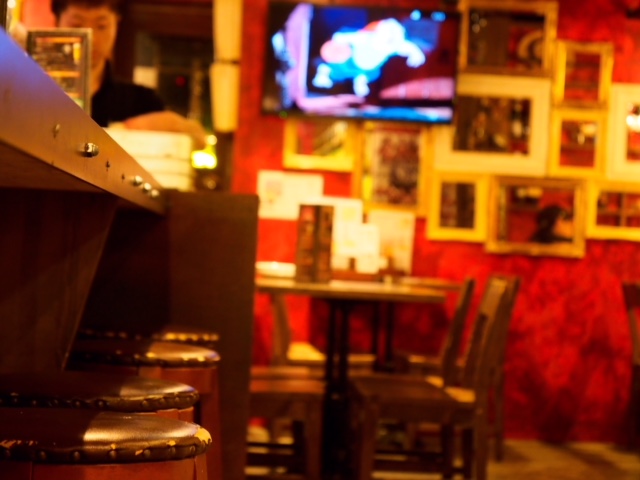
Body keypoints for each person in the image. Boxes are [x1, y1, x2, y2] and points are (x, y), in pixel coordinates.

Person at [51, 0, 207, 149]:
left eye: (102, 26)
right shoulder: (40, 93)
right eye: (77, 25)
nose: (92, 38)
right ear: (57, 24)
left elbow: (199, 139)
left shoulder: (141, 101)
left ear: (116, 24)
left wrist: (170, 124)